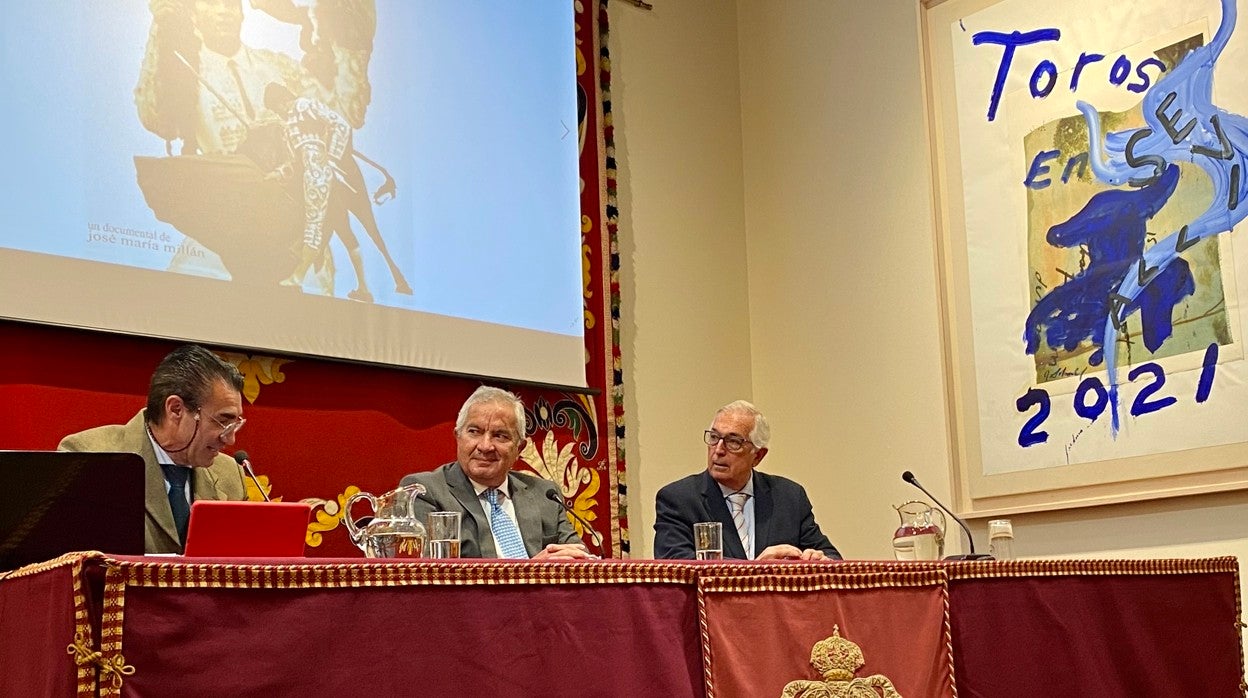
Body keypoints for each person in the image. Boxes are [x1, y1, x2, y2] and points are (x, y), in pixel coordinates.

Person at [58, 345, 248, 554]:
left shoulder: (230, 476)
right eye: (223, 421)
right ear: (176, 409)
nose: (230, 439)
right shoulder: (88, 458)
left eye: (235, 424)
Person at [400, 386, 592, 560]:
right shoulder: (424, 492)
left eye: (500, 435)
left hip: (547, 599)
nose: (485, 446)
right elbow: (428, 575)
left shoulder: (544, 494)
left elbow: (578, 556)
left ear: (519, 448)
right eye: (474, 431)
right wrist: (530, 572)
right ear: (458, 437)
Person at [653, 400, 841, 561]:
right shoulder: (678, 499)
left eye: (733, 441)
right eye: (714, 437)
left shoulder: (789, 497)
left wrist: (817, 560)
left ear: (758, 456)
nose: (718, 450)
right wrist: (756, 570)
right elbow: (677, 566)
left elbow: (832, 557)